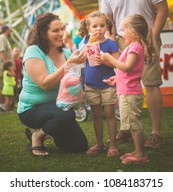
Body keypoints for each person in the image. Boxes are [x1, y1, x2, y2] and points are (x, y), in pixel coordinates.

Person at [101, 0, 169, 148]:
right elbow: (108, 19)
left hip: (146, 38)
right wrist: (113, 43)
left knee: (151, 83)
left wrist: (152, 39)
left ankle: (156, 133)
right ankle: (126, 128)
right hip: (121, 39)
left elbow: (162, 10)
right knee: (123, 87)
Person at [17, 12, 88, 156]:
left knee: (79, 146)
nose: (61, 33)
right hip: (32, 109)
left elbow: (72, 80)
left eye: (62, 29)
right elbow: (45, 84)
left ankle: (52, 129)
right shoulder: (33, 52)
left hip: (59, 107)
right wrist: (68, 65)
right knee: (67, 115)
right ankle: (37, 136)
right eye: (56, 30)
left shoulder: (67, 53)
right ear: (43, 33)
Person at [100, 14, 155, 164]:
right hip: (126, 91)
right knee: (131, 123)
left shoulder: (134, 48)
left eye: (124, 30)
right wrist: (117, 78)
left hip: (130, 93)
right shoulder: (131, 47)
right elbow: (127, 71)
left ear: (133, 31)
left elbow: (128, 67)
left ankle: (141, 154)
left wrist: (110, 59)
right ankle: (137, 150)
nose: (122, 34)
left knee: (134, 124)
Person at [79, 11, 120, 157]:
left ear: (107, 27)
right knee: (96, 115)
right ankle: (99, 143)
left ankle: (113, 145)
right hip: (91, 84)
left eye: (102, 26)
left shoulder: (111, 44)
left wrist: (105, 60)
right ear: (88, 28)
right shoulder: (86, 42)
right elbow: (82, 57)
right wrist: (90, 43)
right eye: (94, 26)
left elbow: (118, 64)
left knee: (109, 113)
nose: (98, 29)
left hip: (107, 84)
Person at [0, 24, 13, 110]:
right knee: (3, 87)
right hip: (3, 69)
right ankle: (3, 105)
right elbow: (1, 52)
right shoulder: (2, 38)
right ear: (6, 30)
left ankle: (7, 105)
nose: (11, 31)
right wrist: (6, 66)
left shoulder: (5, 39)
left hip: (6, 68)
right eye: (9, 30)